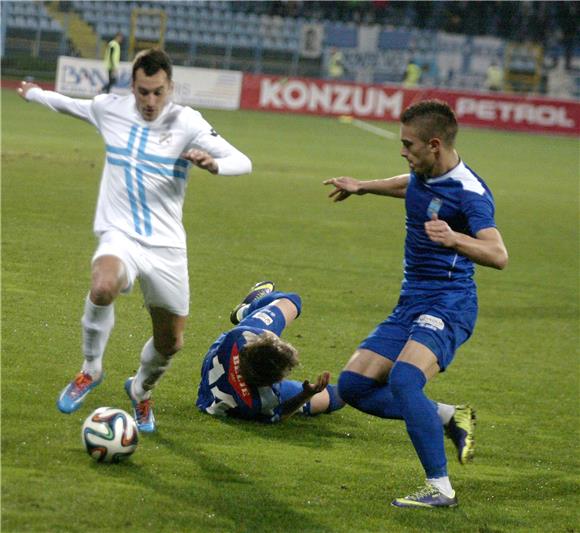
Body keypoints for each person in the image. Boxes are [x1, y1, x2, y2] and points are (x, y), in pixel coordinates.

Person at [17, 49, 252, 432]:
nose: (150, 101)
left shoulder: (188, 122)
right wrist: (33, 93)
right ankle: (90, 369)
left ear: (170, 87)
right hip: (120, 234)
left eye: (158, 92)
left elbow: (243, 160)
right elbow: (68, 104)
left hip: (167, 246)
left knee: (171, 342)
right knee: (103, 284)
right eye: (143, 92)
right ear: (133, 87)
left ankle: (141, 390)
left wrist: (215, 165)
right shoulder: (109, 109)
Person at [323, 99, 508, 508]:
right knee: (353, 387)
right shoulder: (423, 171)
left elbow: (498, 254)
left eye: (409, 145)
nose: (403, 152)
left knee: (405, 380)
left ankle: (439, 488)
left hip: (450, 303)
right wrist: (364, 187)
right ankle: (447, 416)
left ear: (435, 144)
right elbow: (409, 184)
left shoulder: (470, 194)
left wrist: (456, 239)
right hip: (410, 302)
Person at [197, 281, 345, 422]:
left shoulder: (239, 337)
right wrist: (306, 394)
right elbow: (281, 414)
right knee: (334, 397)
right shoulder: (264, 402)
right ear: (273, 382)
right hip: (237, 375)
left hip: (222, 363)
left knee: (290, 302)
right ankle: (359, 384)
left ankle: (244, 312)